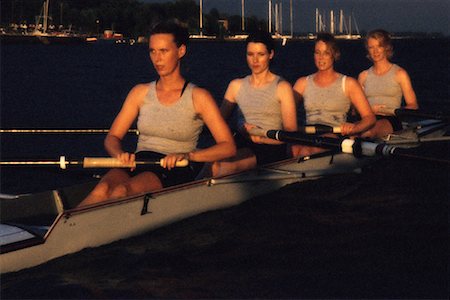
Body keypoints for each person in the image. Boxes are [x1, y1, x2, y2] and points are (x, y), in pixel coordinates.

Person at [79, 21, 236, 207]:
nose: (157, 59)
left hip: (175, 167)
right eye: (152, 51)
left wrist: (189, 156)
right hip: (140, 161)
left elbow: (228, 147)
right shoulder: (139, 92)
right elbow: (112, 137)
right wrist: (119, 154)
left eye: (163, 51)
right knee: (102, 188)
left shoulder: (199, 97)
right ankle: (63, 233)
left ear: (181, 51)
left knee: (123, 191)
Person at [210, 30, 300, 177]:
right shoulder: (236, 85)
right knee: (210, 162)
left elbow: (290, 133)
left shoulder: (282, 87)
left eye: (261, 54)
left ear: (270, 55)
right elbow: (218, 123)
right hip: (241, 142)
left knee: (222, 166)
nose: (255, 60)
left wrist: (261, 138)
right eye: (250, 54)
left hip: (270, 148)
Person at [293, 32, 375, 156]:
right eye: (317, 52)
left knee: (305, 151)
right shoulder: (302, 83)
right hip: (308, 133)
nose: (321, 58)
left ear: (335, 55)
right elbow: (284, 113)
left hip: (335, 134)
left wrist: (354, 128)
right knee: (294, 150)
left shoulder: (349, 83)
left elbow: (369, 118)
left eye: (326, 53)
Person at [358, 29, 418, 138]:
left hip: (391, 120)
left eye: (379, 46)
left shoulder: (400, 74)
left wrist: (392, 111)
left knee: (369, 132)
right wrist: (369, 110)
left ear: (386, 48)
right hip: (368, 117)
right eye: (372, 47)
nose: (375, 51)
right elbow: (355, 109)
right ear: (368, 50)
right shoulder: (363, 76)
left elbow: (413, 105)